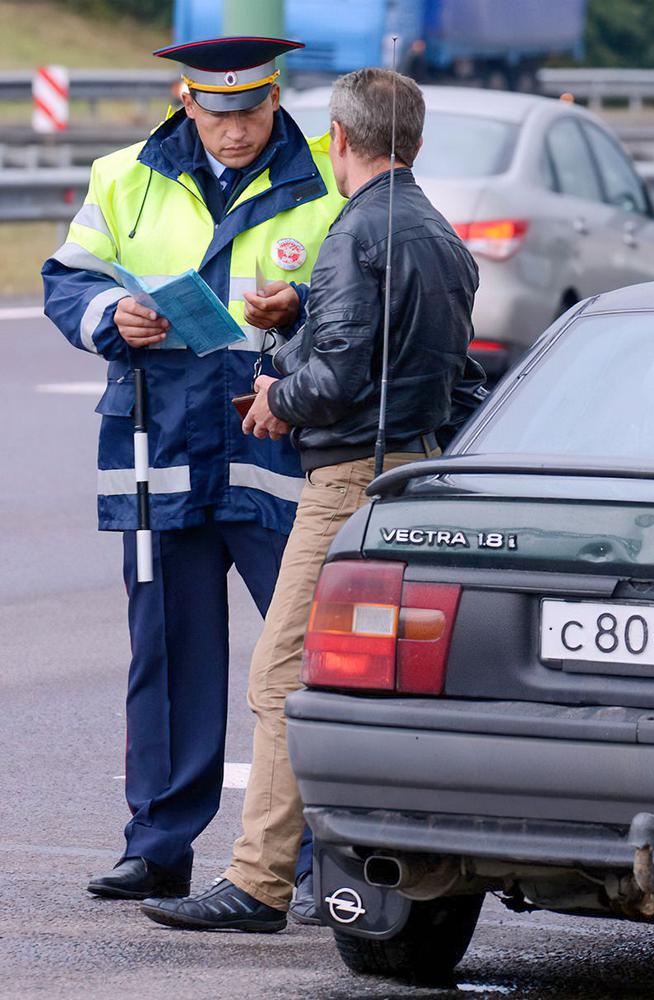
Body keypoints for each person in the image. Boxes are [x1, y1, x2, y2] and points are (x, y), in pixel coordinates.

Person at [142, 67, 479, 933]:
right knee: (364, 682)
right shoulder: (438, 234)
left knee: (282, 675)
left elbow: (342, 372)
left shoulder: (356, 229)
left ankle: (258, 882)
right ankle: (347, 867)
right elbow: (420, 362)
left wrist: (273, 396)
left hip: (345, 482)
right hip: (415, 470)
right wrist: (300, 317)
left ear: (338, 137)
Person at [41, 37, 345, 905]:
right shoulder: (124, 175)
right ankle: (159, 844)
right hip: (159, 446)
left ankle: (323, 855)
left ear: (274, 99)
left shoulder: (324, 177)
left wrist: (303, 306)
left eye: (251, 112)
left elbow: (364, 292)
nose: (237, 131)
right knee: (167, 655)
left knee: (307, 662)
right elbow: (68, 277)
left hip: (274, 449)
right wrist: (111, 313)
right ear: (186, 101)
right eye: (219, 114)